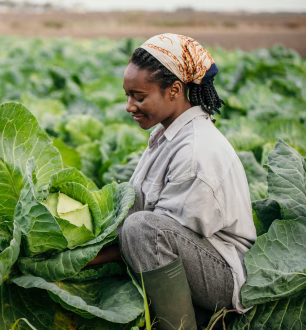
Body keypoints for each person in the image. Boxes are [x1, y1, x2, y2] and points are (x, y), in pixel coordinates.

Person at [87, 34, 257, 329]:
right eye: (127, 95)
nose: (129, 106)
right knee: (138, 226)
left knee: (143, 229)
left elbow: (157, 239)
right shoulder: (168, 135)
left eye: (139, 97)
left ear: (175, 90)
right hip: (194, 258)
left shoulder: (196, 151)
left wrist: (88, 259)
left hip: (225, 277)